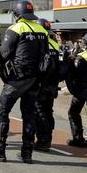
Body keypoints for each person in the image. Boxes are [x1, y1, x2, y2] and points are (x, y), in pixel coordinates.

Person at [0, 0, 47, 163]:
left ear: (17, 15)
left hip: (17, 79)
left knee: (1, 111)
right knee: (29, 115)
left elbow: (4, 54)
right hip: (35, 79)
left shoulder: (16, 28)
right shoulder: (42, 30)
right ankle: (27, 153)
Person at [33, 18, 64, 152]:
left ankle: (43, 141)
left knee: (40, 112)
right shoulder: (54, 44)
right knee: (48, 112)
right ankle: (48, 138)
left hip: (41, 84)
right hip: (52, 84)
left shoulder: (38, 43)